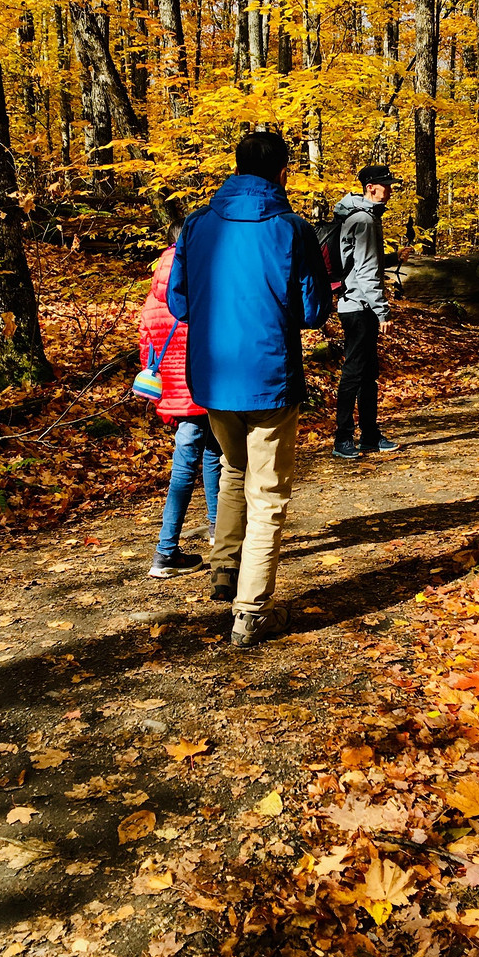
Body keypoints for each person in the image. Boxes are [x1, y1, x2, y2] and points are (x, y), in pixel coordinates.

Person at [167, 131, 331, 647]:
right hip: (270, 378)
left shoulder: (197, 224)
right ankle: (249, 612)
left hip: (213, 380)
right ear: (282, 171)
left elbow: (179, 303)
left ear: (236, 168)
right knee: (269, 495)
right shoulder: (291, 228)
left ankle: (224, 571)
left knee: (234, 468)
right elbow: (311, 312)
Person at [140, 222, 223, 578]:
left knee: (210, 453)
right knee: (190, 465)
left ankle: (220, 530)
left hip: (173, 390)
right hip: (203, 386)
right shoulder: (201, 281)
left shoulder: (155, 293)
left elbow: (147, 345)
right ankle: (166, 551)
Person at [332, 163, 401, 460]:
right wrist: (382, 311)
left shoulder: (359, 217)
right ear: (371, 187)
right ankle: (343, 438)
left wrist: (394, 257)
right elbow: (365, 270)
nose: (390, 190)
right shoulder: (364, 220)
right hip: (359, 308)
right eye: (386, 185)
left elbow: (361, 262)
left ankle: (370, 435)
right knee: (354, 373)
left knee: (367, 373)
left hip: (357, 305)